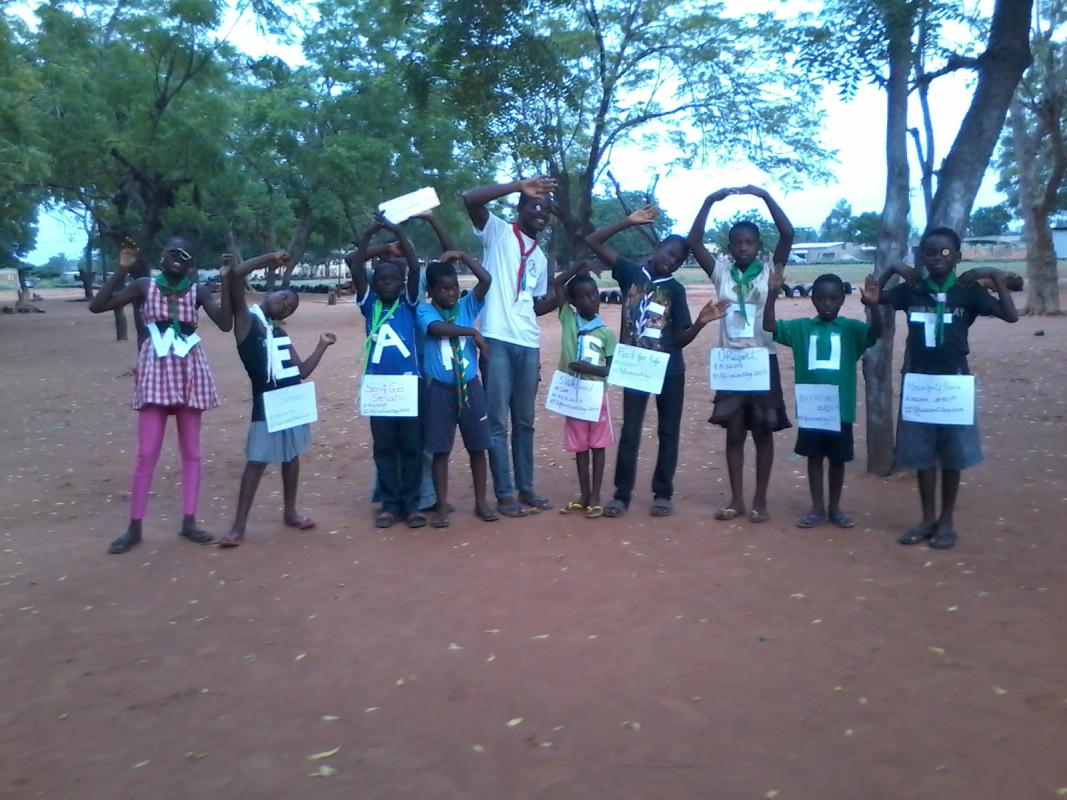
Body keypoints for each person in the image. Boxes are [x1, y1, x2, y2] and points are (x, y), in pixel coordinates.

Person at [88, 237, 231, 554]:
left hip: (189, 372)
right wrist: (121, 269)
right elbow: (97, 306)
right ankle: (134, 527)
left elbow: (225, 324)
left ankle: (189, 522)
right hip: (155, 372)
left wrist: (226, 278)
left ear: (192, 264)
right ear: (162, 256)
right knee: (146, 452)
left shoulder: (198, 291)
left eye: (185, 255)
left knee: (192, 451)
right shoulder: (143, 285)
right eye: (172, 252)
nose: (178, 258)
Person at [586, 205, 729, 518]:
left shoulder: (676, 290)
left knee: (668, 432)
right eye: (669, 253)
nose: (671, 261)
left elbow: (678, 339)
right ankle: (621, 495)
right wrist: (628, 221)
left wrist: (701, 322)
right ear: (658, 246)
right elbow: (593, 241)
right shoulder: (630, 272)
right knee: (631, 431)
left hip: (669, 371)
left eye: (678, 260)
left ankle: (662, 493)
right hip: (636, 365)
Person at [878, 227, 1018, 549]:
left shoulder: (968, 292)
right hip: (919, 382)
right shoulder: (911, 291)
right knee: (923, 456)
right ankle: (927, 519)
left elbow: (1010, 316)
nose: (937, 258)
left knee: (952, 456)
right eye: (930, 252)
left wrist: (993, 275)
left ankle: (947, 520)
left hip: (954, 382)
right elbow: (874, 296)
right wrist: (893, 269)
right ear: (922, 258)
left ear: (957, 257)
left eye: (945, 253)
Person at [688, 186, 795, 523]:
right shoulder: (721, 271)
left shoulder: (768, 271)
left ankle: (760, 501)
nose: (743, 248)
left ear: (758, 246)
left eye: (749, 242)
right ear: (730, 247)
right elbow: (693, 243)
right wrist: (707, 201)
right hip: (732, 363)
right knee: (734, 433)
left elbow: (788, 233)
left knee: (763, 433)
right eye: (737, 243)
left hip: (763, 360)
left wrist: (763, 196)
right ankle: (736, 500)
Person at [218, 252, 336, 547]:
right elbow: (234, 277)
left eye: (290, 306)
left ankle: (291, 511)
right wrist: (269, 258)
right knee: (256, 461)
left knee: (292, 456)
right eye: (284, 297)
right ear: (271, 292)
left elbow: (301, 371)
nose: (285, 304)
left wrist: (322, 346)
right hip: (266, 403)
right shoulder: (247, 322)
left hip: (290, 399)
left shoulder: (279, 332)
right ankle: (238, 526)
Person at [463, 175, 559, 517]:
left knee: (525, 420)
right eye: (534, 205)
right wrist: (518, 185)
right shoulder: (499, 232)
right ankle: (504, 494)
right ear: (519, 207)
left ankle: (526, 487)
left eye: (545, 210)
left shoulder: (542, 258)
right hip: (496, 339)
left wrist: (562, 290)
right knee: (498, 422)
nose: (540, 212)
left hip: (527, 342)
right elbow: (470, 198)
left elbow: (532, 304)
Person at [763, 270, 882, 529]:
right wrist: (772, 293)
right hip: (812, 409)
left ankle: (835, 508)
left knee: (837, 460)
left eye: (834, 298)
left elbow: (876, 333)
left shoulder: (852, 329)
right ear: (813, 299)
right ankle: (817, 508)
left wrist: (874, 306)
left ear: (842, 300)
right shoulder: (801, 328)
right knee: (814, 458)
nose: (828, 304)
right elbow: (770, 326)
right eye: (822, 298)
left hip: (840, 408)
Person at [348, 215, 426, 529]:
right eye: (381, 281)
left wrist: (398, 231)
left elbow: (415, 266)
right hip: (379, 387)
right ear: (374, 284)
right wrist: (368, 232)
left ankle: (412, 503)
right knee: (384, 446)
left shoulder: (408, 303)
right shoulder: (370, 304)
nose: (387, 284)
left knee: (411, 445)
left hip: (409, 385)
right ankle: (390, 504)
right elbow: (355, 266)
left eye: (393, 280)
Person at [417, 251, 497, 528]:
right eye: (443, 289)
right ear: (431, 291)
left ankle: (481, 501)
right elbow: (438, 330)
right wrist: (472, 333)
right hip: (440, 390)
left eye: (454, 288)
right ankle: (441, 505)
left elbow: (486, 280)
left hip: (470, 387)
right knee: (440, 450)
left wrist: (464, 256)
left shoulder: (467, 306)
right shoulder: (426, 310)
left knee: (478, 446)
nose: (450, 294)